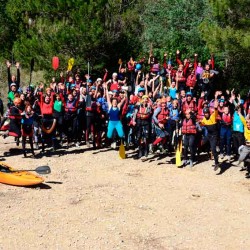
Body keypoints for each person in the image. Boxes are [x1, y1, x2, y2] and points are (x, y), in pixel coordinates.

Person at [200, 99, 220, 170]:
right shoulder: (204, 119)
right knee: (201, 143)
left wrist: (216, 107)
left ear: (209, 113)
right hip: (208, 135)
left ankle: (217, 163)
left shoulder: (213, 116)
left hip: (214, 136)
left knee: (213, 149)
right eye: (205, 113)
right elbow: (201, 123)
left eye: (207, 113)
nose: (206, 114)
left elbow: (216, 112)